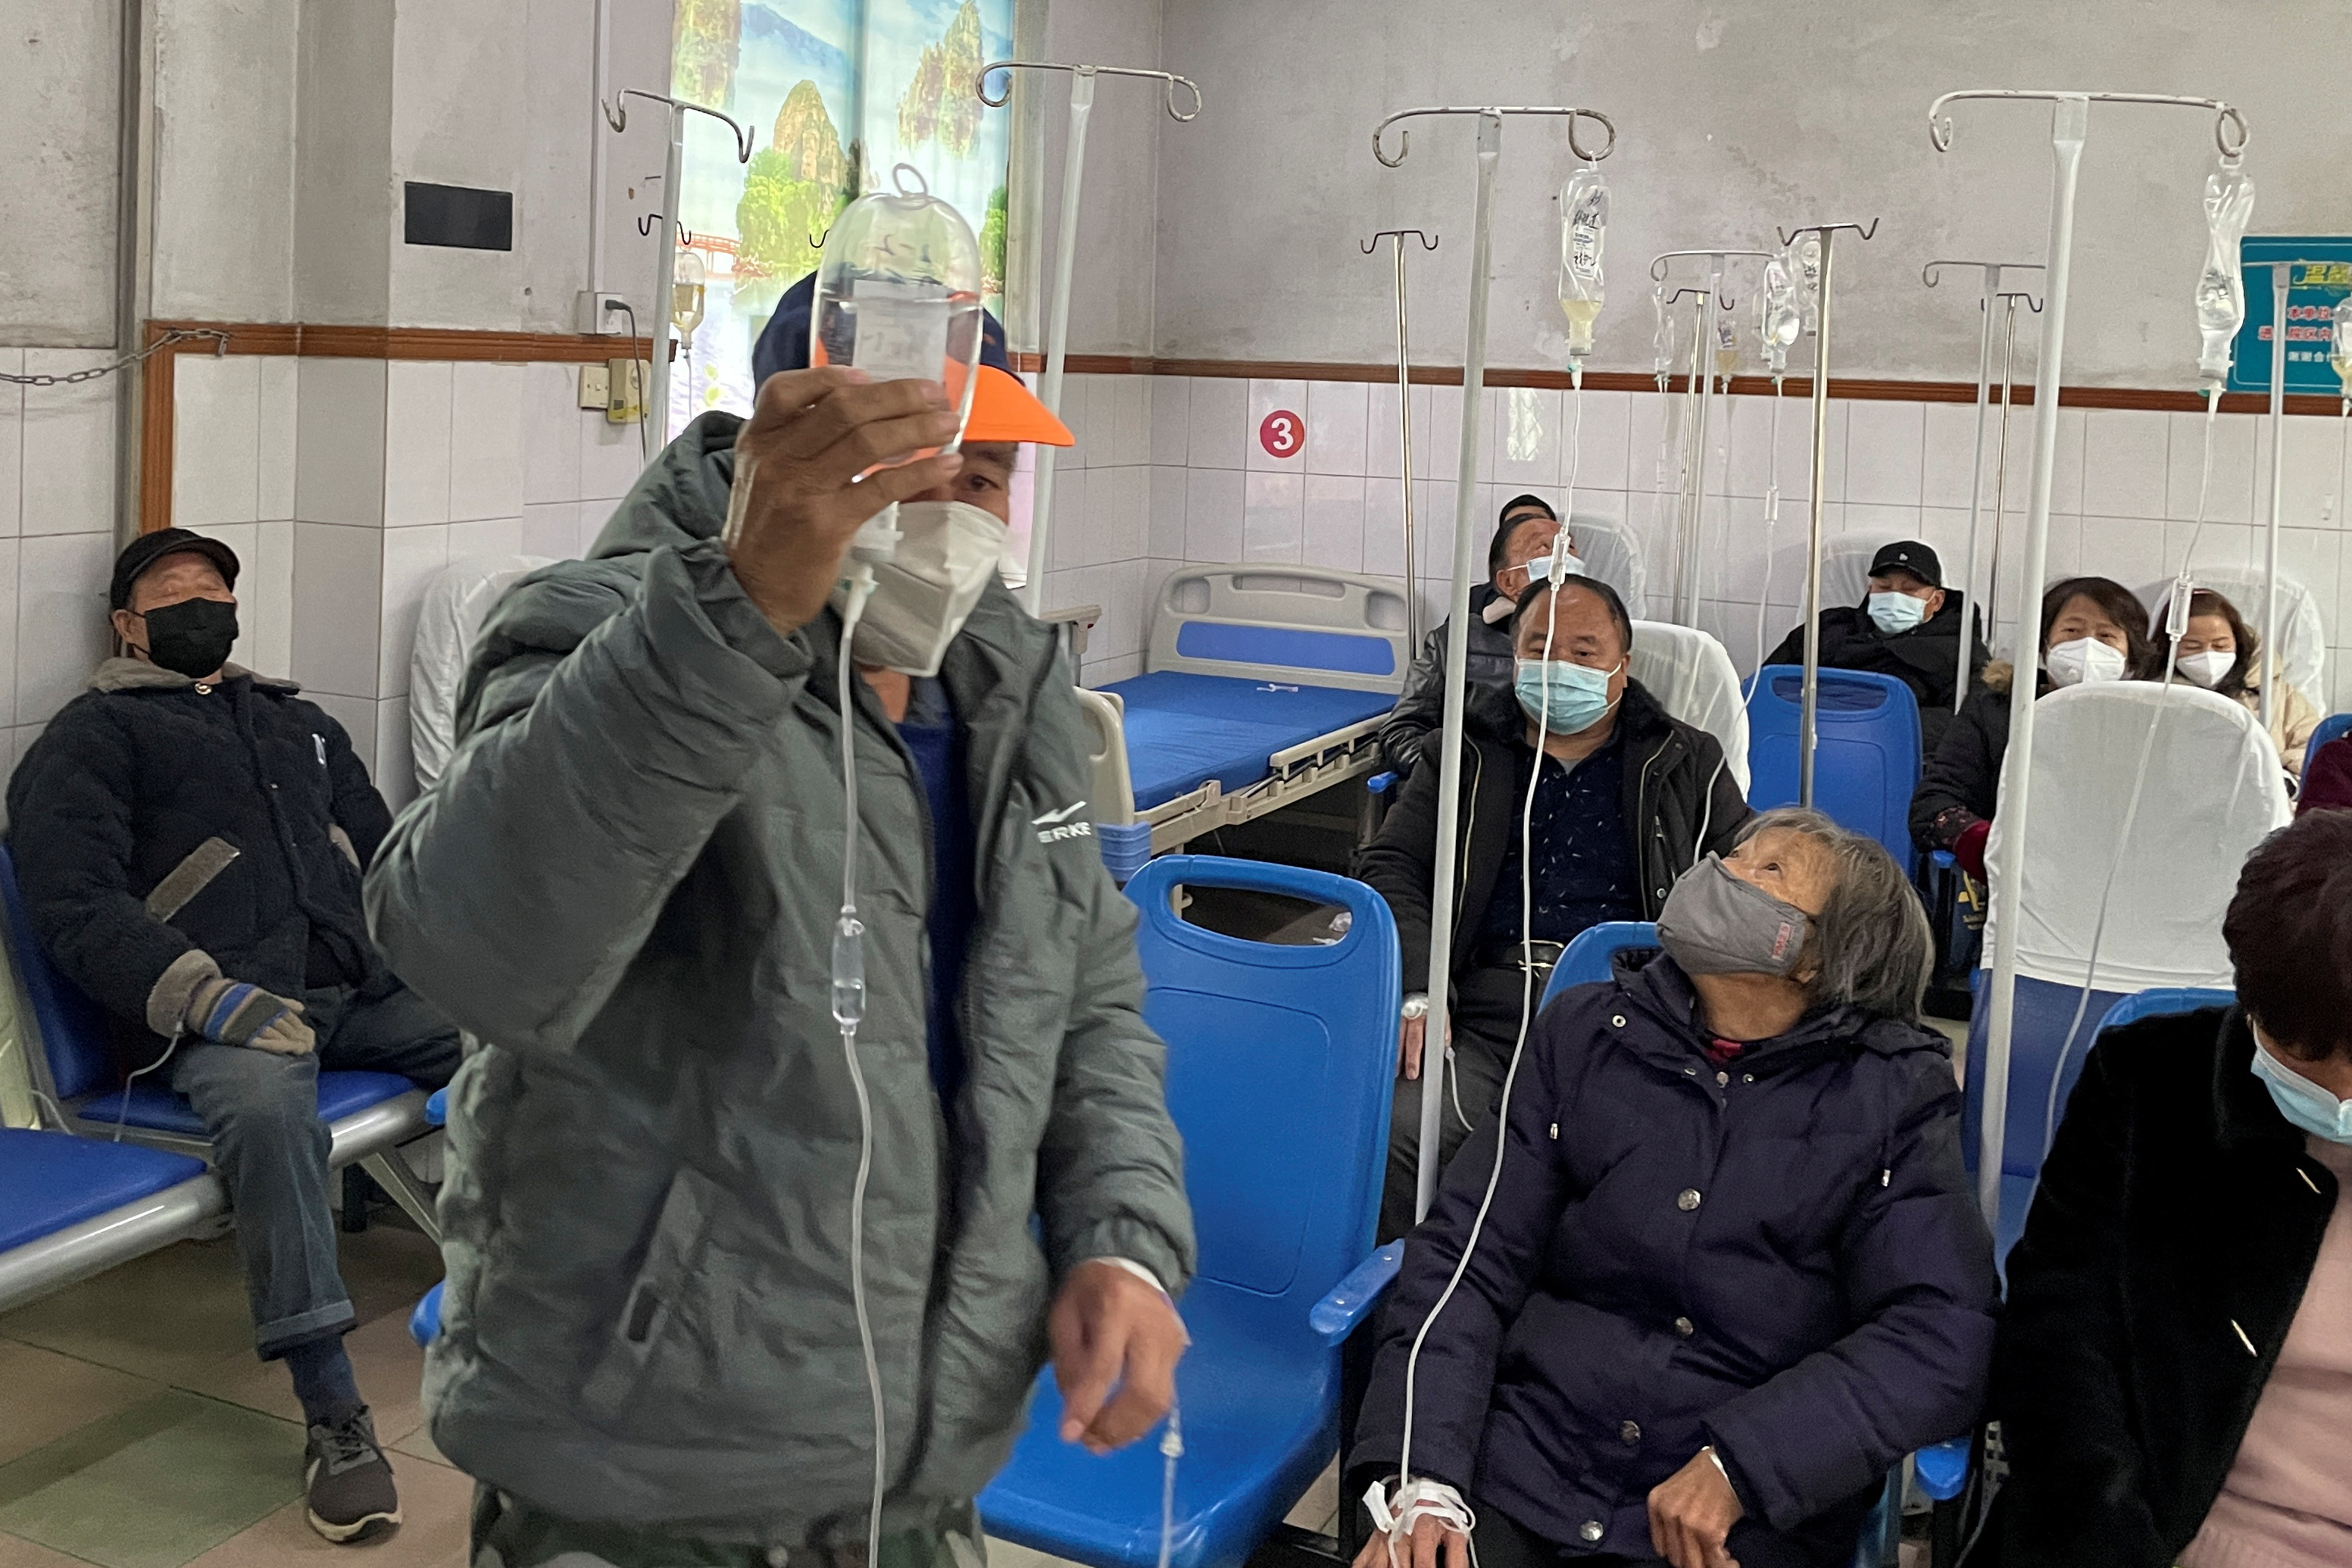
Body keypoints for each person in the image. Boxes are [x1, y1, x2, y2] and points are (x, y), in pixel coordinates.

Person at [362, 277, 1198, 1568]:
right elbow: (468, 948)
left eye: (987, 475)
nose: (956, 510)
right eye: (909, 463)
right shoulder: (607, 632)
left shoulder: (1004, 683)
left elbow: (1085, 995)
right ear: (792, 443)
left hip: (919, 1475)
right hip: (650, 1475)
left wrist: (1122, 1240)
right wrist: (740, 606)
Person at [1348, 809, 1998, 1568]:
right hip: (1522, 1469)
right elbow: (1468, 1256)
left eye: (1771, 870)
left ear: (1815, 959)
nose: (1721, 869)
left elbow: (1940, 1332)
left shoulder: (1889, 1096)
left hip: (1734, 1517)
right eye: (1735, 854)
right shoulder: (1585, 1036)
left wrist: (1746, 1464)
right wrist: (1425, 1476)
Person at [7, 529, 462, 1545]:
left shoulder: (296, 721)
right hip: (221, 1012)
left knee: (521, 1051)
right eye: (175, 592)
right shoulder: (90, 739)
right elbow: (72, 905)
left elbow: (384, 852)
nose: (200, 603)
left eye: (216, 587)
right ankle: (334, 1410)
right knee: (268, 1123)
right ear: (129, 623)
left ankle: (548, 1284)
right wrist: (203, 996)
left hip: (356, 989)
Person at [1981, 810, 2352, 1567]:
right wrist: (2108, 1533)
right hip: (2142, 1531)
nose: (2338, 1097)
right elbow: (2059, 1334)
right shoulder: (2150, 1083)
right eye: (2294, 1053)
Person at [1356, 570, 1751, 1242]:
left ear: (1621, 669)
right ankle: (1405, 1312)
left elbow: (1739, 880)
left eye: (1583, 652)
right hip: (1483, 1007)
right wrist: (1422, 988)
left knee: (1648, 1154)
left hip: (1633, 1010)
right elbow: (1390, 864)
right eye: (1537, 647)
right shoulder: (1464, 751)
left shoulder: (1685, 759)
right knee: (1403, 1133)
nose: (1556, 665)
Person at [1910, 575, 2151, 880]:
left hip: (2124, 880)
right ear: (2044, 644)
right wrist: (1982, 842)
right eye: (2072, 631)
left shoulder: (2151, 723)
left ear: (2130, 654)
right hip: (2014, 881)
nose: (2088, 646)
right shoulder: (1997, 710)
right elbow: (1934, 802)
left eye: (2106, 636)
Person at [1378, 494, 1572, 779]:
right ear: (1507, 581)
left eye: (1569, 548)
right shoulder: (1455, 642)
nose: (1560, 558)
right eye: (1542, 547)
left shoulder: (1602, 646)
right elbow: (1401, 730)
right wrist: (1458, 779)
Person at [1763, 541, 1990, 754]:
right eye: (1884, 587)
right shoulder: (1829, 628)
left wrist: (1877, 726)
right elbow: (1767, 686)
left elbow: (1968, 722)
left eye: (1909, 590)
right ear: (1870, 590)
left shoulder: (1959, 650)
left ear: (1937, 600)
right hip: (1810, 746)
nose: (1894, 597)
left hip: (1899, 756)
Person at [2151, 586, 2322, 776]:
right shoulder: (2150, 695)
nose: (2208, 655)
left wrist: (2283, 777)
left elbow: (2314, 744)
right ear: (2169, 647)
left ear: (2238, 642)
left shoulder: (2275, 693)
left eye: (2221, 645)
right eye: (2192, 647)